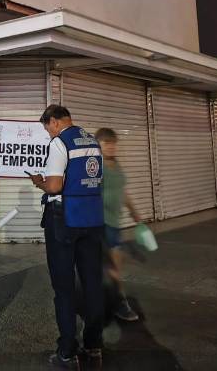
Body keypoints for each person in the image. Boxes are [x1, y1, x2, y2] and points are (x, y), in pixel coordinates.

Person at [29, 105, 105, 368]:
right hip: (93, 218)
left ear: (54, 122)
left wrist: (40, 182)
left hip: (65, 219)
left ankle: (67, 351)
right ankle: (94, 345)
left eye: (47, 128)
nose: (48, 133)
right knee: (93, 282)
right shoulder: (92, 141)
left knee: (64, 288)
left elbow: (55, 185)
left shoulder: (61, 142)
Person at [96, 127, 141, 322]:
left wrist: (134, 213)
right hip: (100, 223)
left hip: (114, 223)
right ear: (98, 145)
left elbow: (122, 192)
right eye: (106, 143)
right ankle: (118, 302)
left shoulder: (117, 165)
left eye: (113, 143)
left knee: (112, 265)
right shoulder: (95, 167)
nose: (111, 147)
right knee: (111, 265)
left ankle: (111, 301)